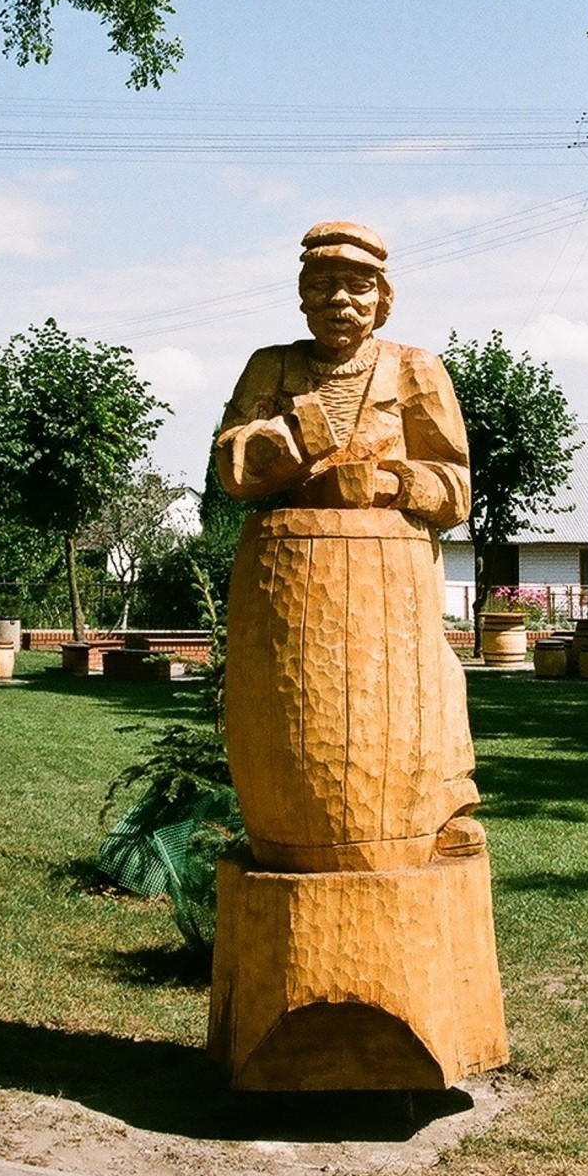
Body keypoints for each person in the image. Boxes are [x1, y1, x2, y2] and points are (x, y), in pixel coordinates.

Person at [216, 220, 485, 873]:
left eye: (358, 287)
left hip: (391, 577)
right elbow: (231, 467)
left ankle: (436, 810)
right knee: (292, 710)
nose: (342, 301)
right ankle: (285, 823)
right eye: (325, 286)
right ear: (304, 297)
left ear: (381, 297)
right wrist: (290, 439)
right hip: (290, 573)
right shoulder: (272, 367)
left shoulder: (414, 369)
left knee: (423, 689)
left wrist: (393, 480)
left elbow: (455, 488)